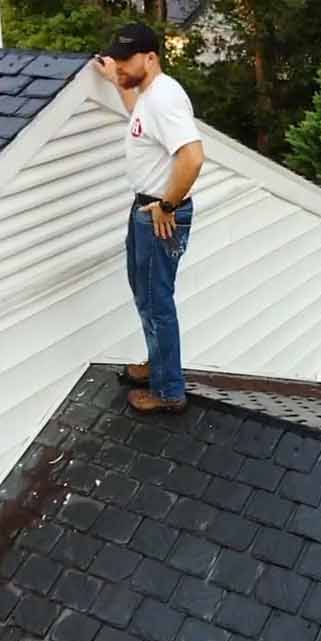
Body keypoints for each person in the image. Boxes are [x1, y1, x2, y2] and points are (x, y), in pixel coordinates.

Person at [92, 22, 205, 414]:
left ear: (151, 57)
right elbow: (138, 118)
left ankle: (169, 391)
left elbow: (192, 157)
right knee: (145, 292)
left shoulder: (164, 99)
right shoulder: (148, 96)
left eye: (126, 60)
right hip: (146, 209)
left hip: (160, 215)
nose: (119, 66)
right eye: (116, 60)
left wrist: (167, 206)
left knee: (157, 301)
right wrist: (117, 81)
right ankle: (157, 366)